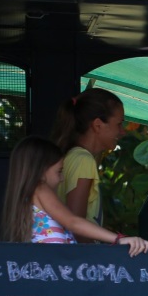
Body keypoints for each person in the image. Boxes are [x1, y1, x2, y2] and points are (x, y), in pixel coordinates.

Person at [0, 136, 148, 256]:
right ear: (41, 170)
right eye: (59, 171)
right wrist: (119, 239)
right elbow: (73, 222)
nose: (62, 178)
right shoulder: (40, 188)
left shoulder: (27, 197)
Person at [51, 88, 125, 239]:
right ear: (97, 125)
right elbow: (77, 230)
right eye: (119, 124)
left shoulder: (73, 155)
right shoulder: (83, 160)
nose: (122, 132)